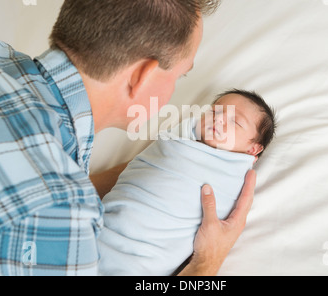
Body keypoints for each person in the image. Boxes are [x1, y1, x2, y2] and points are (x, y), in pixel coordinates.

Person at [0, 0, 255, 276]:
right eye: (179, 76)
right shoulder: (64, 216)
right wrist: (208, 262)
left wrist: (161, 165)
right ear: (142, 76)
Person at [98, 89, 277, 276]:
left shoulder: (232, 178)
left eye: (235, 121)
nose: (219, 119)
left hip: (139, 261)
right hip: (100, 228)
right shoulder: (175, 141)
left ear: (253, 148)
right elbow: (139, 169)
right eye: (215, 111)